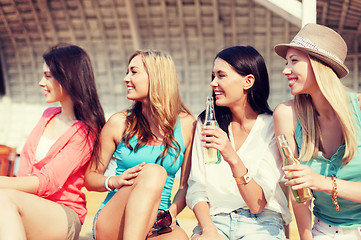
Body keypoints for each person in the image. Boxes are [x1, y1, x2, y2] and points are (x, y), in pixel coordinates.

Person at [84, 50, 196, 240]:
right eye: (128, 72)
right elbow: (90, 178)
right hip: (115, 220)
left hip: (157, 223)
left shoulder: (187, 124)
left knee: (179, 238)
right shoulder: (119, 122)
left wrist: (171, 214)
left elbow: (185, 186)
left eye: (133, 72)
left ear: (156, 77)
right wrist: (113, 181)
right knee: (155, 171)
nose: (126, 78)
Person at [0, 43, 105, 240]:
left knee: (2, 198)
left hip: (62, 214)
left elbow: (47, 182)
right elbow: (25, 171)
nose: (41, 82)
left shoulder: (86, 131)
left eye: (48, 76)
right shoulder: (47, 115)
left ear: (68, 77)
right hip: (26, 205)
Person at [186, 46, 291, 240]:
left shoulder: (271, 126)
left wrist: (231, 155)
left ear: (248, 81)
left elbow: (257, 204)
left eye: (221, 75)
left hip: (262, 223)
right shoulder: (206, 124)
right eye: (213, 76)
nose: (213, 82)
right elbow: (196, 188)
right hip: (215, 221)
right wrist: (208, 231)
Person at [273, 23, 361, 240]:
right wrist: (306, 237)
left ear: (319, 64)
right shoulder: (286, 114)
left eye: (294, 61)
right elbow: (297, 191)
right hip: (325, 230)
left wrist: (320, 182)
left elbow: (312, 181)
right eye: (286, 63)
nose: (286, 70)